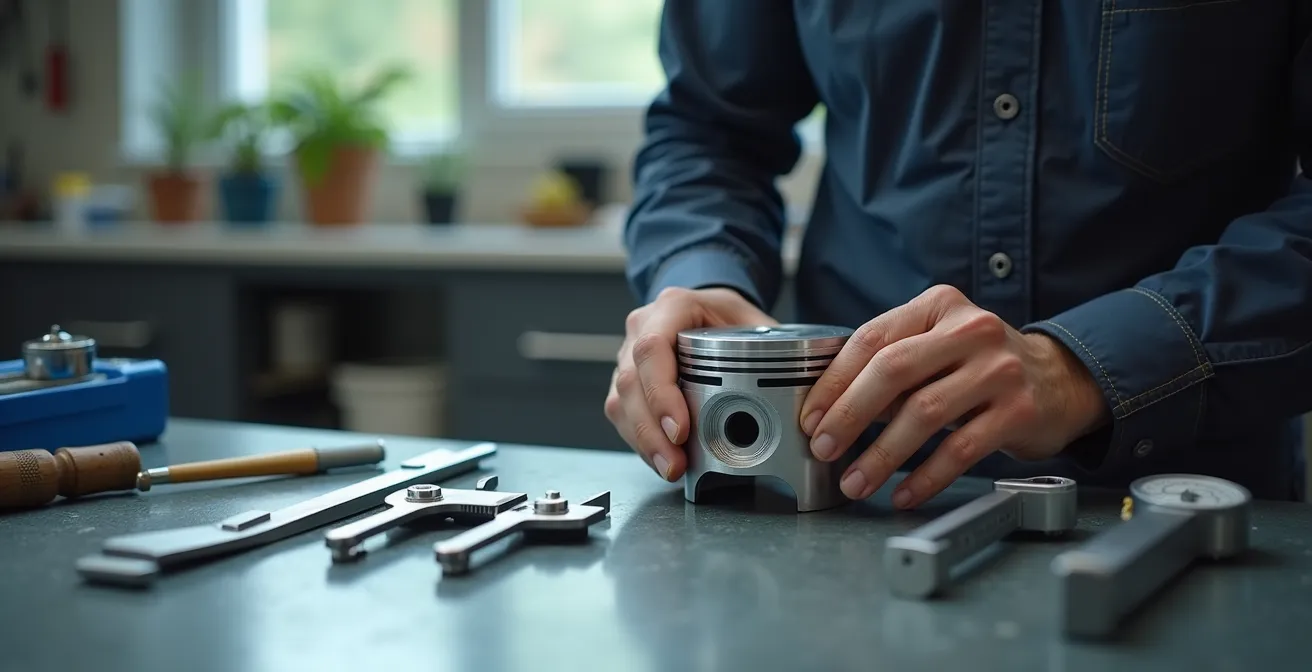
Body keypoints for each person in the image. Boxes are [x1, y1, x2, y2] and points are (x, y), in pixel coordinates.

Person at [606, 0, 1312, 505]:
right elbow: (709, 130)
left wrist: (1087, 370)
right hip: (844, 498)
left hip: (1187, 499)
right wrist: (698, 272)